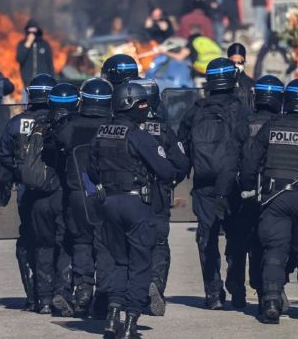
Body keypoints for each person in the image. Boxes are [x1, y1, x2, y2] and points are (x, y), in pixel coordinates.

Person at [89, 82, 178, 339]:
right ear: (129, 104)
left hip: (108, 204)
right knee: (140, 265)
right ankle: (130, 322)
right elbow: (166, 170)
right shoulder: (138, 135)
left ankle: (113, 313)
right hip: (136, 204)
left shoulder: (101, 132)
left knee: (119, 262)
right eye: (142, 104)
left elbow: (91, 169)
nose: (145, 108)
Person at [241, 79, 298, 324]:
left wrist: (248, 189)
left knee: (275, 250)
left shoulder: (270, 128)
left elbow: (249, 164)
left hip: (274, 199)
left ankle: (270, 301)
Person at [178, 58, 247, 309]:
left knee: (207, 237)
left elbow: (180, 149)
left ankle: (213, 293)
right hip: (234, 185)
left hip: (204, 184)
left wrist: (179, 176)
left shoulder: (196, 110)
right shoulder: (241, 110)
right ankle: (237, 289)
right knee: (236, 237)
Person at [52, 77, 113, 318]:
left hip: (77, 194)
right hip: (105, 194)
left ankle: (83, 290)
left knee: (81, 243)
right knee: (106, 246)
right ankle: (104, 297)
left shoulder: (70, 126)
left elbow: (54, 148)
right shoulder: (113, 125)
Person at [0, 73, 57, 311]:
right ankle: (59, 295)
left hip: (26, 190)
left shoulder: (15, 123)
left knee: (30, 241)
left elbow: (3, 155)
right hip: (56, 190)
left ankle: (35, 297)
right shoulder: (60, 120)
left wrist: (21, 172)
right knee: (59, 241)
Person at [226, 75, 284, 310]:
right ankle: (265, 292)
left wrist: (223, 194)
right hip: (274, 194)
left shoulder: (243, 124)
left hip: (243, 192)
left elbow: (229, 163)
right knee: (267, 244)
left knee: (237, 245)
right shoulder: (281, 124)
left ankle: (238, 293)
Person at [133, 78, 190, 316]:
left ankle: (130, 293)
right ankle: (155, 282)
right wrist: (172, 180)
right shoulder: (163, 128)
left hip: (129, 194)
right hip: (158, 194)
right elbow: (182, 162)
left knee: (130, 244)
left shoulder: (123, 125)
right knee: (158, 243)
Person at [27, 83, 79, 316]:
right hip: (63, 196)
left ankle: (44, 300)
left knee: (43, 248)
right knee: (65, 245)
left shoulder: (38, 126)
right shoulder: (73, 129)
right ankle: (62, 292)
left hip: (38, 197)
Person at [16, 20, 55, 89]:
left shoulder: (44, 44)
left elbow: (50, 64)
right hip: (27, 83)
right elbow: (19, 59)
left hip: (43, 84)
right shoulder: (22, 44)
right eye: (30, 30)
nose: (32, 33)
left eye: (34, 30)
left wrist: (52, 80)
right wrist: (28, 44)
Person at [228, 43, 254, 109]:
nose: (236, 65)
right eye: (233, 62)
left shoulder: (252, 84)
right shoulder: (222, 83)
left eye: (240, 62)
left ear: (244, 62)